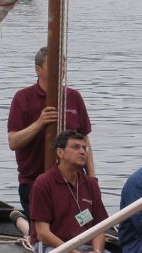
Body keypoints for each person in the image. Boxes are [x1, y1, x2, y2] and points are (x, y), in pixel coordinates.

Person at [29, 130, 139, 253]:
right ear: (60, 153)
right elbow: (43, 234)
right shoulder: (43, 184)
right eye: (75, 147)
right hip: (55, 248)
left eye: (84, 148)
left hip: (87, 248)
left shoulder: (90, 184)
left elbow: (100, 227)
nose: (82, 151)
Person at [8, 46, 94, 216]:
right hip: (34, 183)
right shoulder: (23, 98)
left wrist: (91, 178)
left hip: (74, 182)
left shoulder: (74, 97)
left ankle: (22, 222)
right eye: (54, 65)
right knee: (45, 227)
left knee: (84, 221)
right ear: (38, 70)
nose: (60, 70)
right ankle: (22, 222)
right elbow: (13, 142)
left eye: (62, 65)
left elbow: (85, 140)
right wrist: (40, 123)